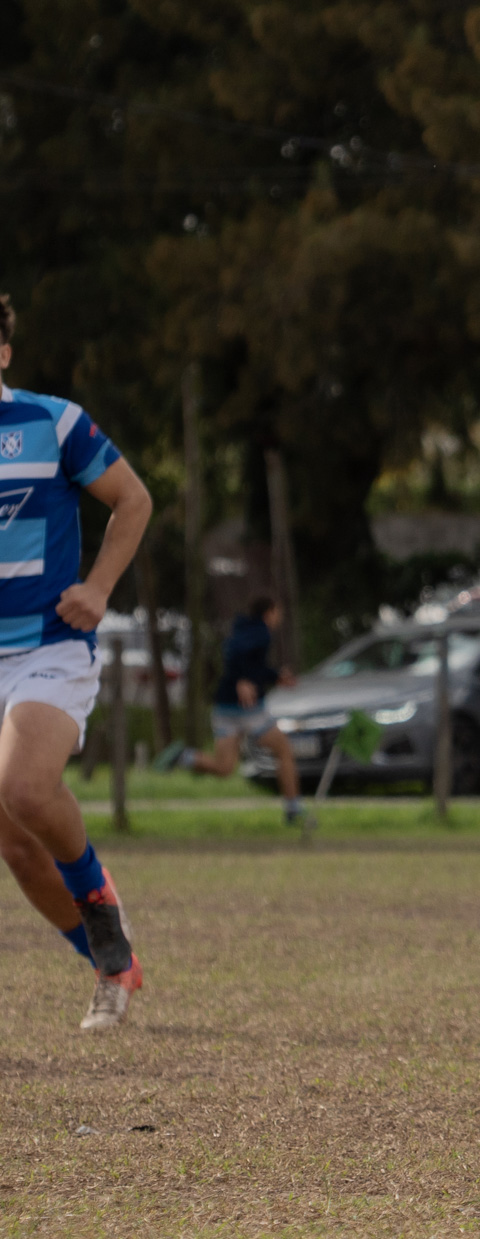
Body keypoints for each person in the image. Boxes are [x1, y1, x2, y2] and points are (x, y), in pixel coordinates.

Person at [0, 293, 154, 1030]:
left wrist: (97, 588)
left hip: (48, 647)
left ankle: (103, 913)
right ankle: (112, 964)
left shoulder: (52, 421)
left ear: (2, 352)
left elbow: (133, 499)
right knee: (19, 849)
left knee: (26, 788)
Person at [153, 597, 305, 824]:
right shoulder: (261, 632)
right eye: (278, 612)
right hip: (249, 710)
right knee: (284, 751)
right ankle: (293, 809)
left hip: (224, 708)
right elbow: (234, 654)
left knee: (224, 768)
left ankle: (185, 756)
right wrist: (241, 679)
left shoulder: (242, 628)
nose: (279, 618)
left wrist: (275, 677)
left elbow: (250, 664)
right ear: (269, 612)